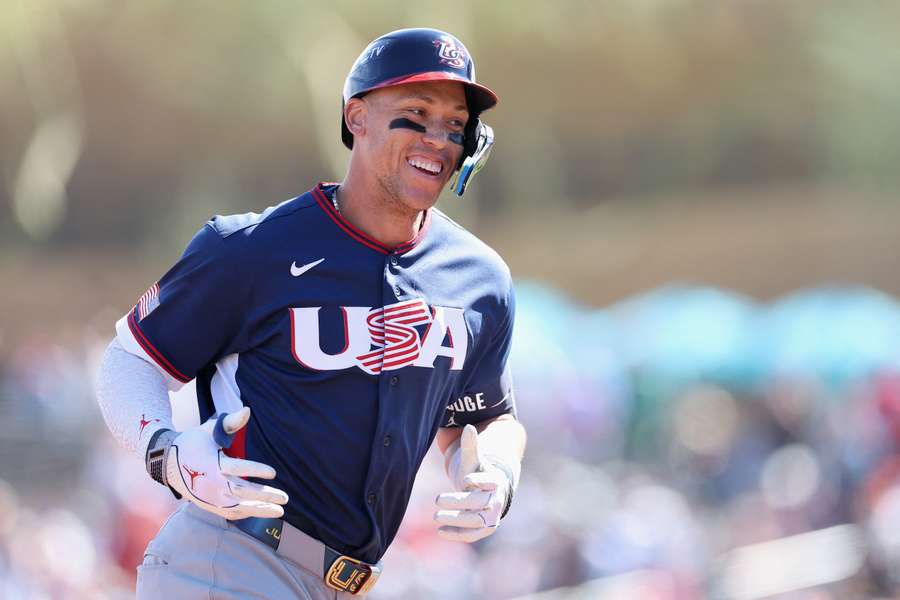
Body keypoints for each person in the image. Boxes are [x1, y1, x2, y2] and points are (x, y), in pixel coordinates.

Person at [95, 27, 526, 598]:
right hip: (232, 558)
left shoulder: (480, 279)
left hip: (349, 584)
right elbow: (128, 361)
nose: (438, 139)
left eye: (455, 124)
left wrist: (493, 473)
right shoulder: (252, 247)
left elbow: (485, 418)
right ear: (357, 117)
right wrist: (166, 453)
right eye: (417, 113)